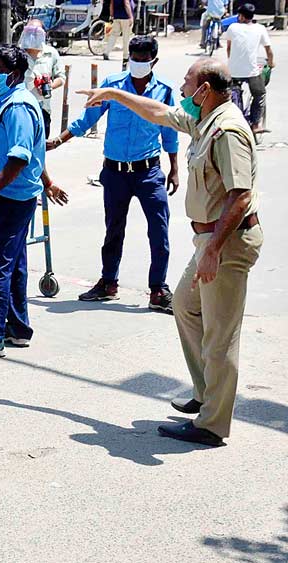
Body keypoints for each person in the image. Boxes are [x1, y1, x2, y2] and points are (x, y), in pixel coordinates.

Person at [77, 58, 263, 447]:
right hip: (209, 241)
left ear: (205, 90)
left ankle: (212, 424)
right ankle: (205, 390)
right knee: (184, 304)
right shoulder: (206, 118)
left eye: (187, 82)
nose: (181, 88)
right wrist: (113, 93)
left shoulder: (227, 129)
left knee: (220, 335)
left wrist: (213, 250)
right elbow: (160, 113)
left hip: (225, 243)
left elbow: (241, 195)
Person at [48, 35, 179, 312]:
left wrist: (174, 168)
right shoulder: (112, 86)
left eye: (144, 60)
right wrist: (59, 140)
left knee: (159, 230)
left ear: (154, 60)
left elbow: (169, 131)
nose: (138, 64)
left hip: (148, 171)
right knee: (113, 229)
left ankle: (158, 289)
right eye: (134, 59)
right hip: (115, 171)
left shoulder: (164, 91)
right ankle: (108, 282)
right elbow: (88, 120)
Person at [0, 45, 68, 363]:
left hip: (8, 199)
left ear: (12, 74)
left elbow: (19, 158)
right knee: (15, 264)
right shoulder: (10, 102)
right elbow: (35, 152)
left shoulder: (20, 107)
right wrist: (48, 182)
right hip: (10, 198)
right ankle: (18, 329)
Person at [225, 3, 275, 134]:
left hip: (233, 71)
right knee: (259, 94)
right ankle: (255, 124)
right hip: (251, 71)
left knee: (230, 93)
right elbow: (269, 50)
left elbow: (229, 48)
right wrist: (271, 63)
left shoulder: (232, 27)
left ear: (241, 16)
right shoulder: (260, 28)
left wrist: (232, 62)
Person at [19, 19, 65, 137]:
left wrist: (49, 86)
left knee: (40, 144)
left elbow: (61, 77)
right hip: (20, 107)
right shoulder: (18, 53)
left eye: (36, 33)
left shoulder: (51, 53)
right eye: (29, 32)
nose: (32, 36)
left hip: (43, 107)